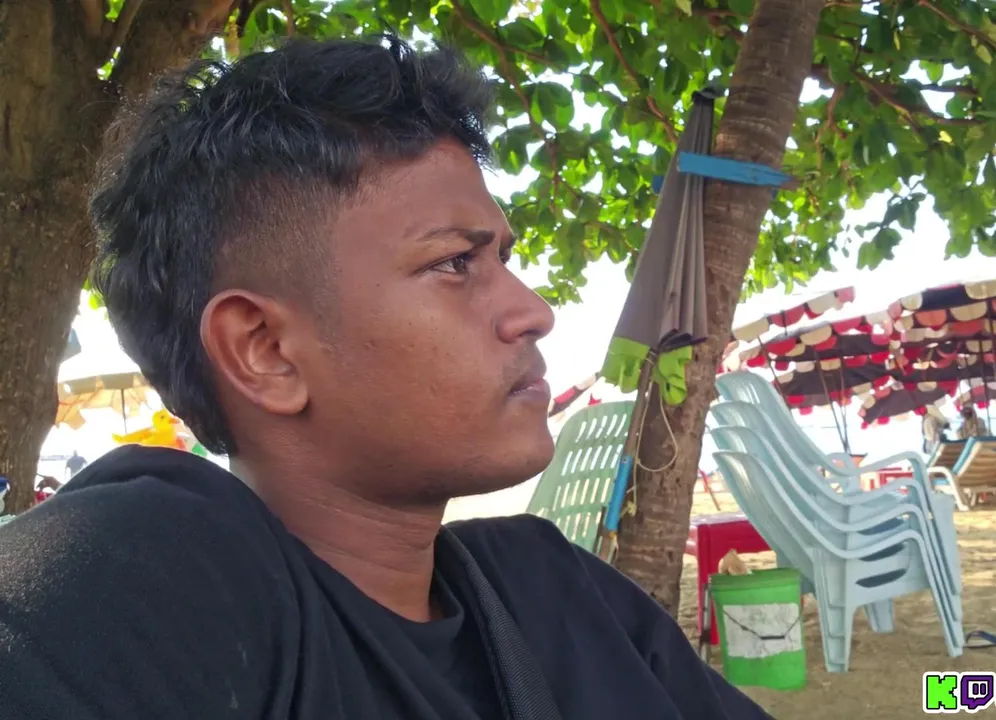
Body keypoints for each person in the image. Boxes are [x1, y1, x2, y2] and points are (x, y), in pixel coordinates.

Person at [0, 37, 770, 720]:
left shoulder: (555, 593)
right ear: (266, 350)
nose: (534, 312)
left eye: (502, 257)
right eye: (455, 263)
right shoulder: (152, 576)